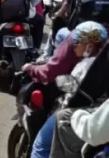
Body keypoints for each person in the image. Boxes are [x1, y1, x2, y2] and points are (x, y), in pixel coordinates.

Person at [25, 21, 108, 158]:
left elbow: (58, 78)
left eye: (78, 42)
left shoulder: (85, 66)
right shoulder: (99, 63)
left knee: (40, 145)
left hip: (80, 115)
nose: (74, 45)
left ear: (89, 46)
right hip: (95, 114)